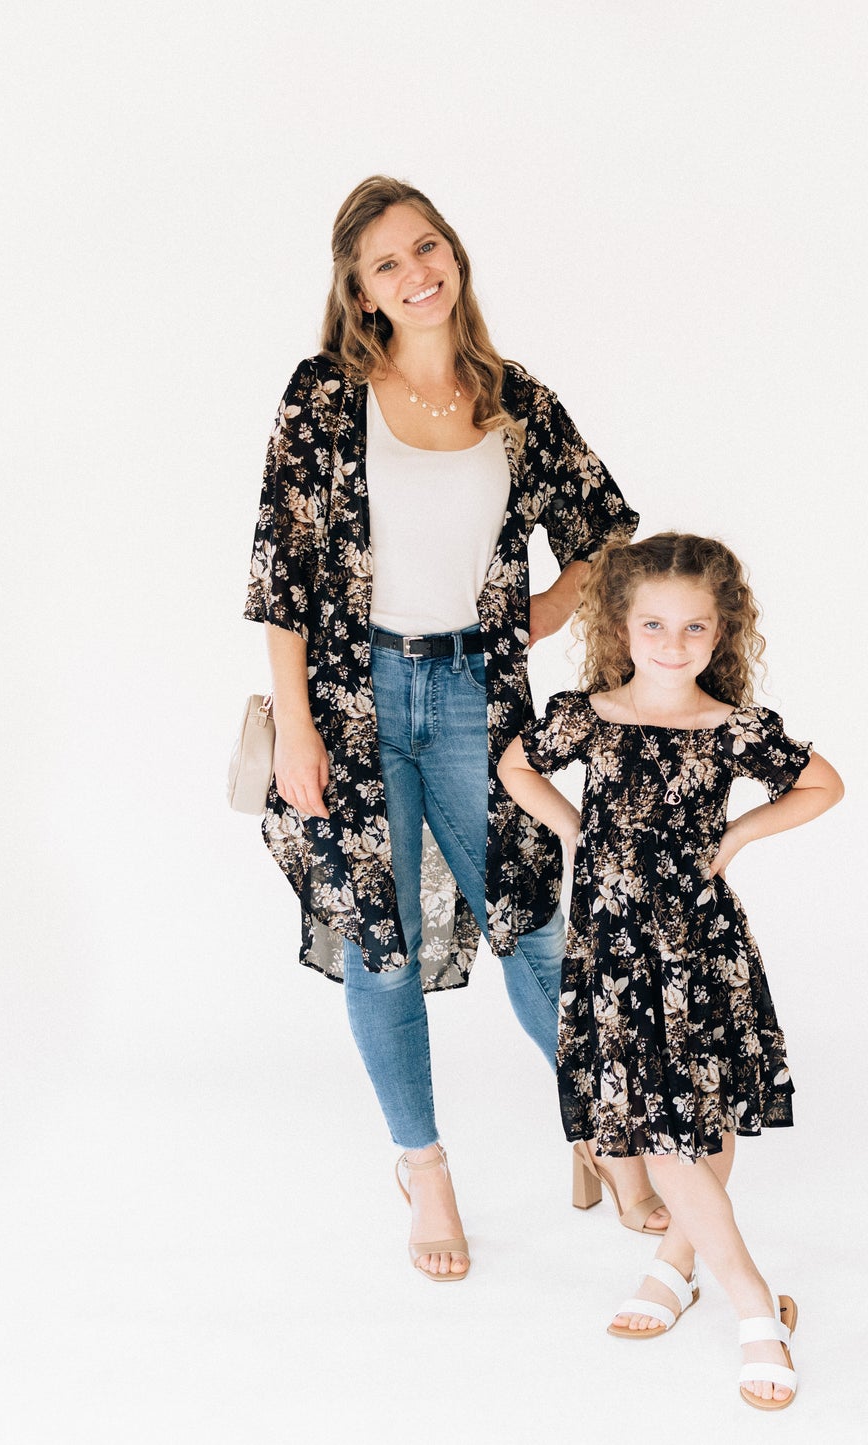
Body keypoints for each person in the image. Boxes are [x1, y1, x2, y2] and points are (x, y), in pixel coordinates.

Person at [243, 175, 665, 1283]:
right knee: (379, 945)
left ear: (454, 255)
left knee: (532, 921)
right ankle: (422, 1164)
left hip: (478, 694)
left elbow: (604, 525)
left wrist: (545, 607)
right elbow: (281, 577)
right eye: (386, 263)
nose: (415, 272)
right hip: (353, 698)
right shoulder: (325, 395)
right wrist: (295, 728)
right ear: (358, 289)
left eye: (426, 247)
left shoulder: (509, 398)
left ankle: (602, 1127)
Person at [498, 532, 844, 1409]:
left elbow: (822, 784)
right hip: (613, 951)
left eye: (694, 627)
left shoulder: (729, 727)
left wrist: (736, 835)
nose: (673, 641)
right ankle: (755, 1303)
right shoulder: (588, 713)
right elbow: (515, 765)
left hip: (700, 945)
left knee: (704, 1111)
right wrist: (575, 830)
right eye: (653, 623)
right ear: (621, 622)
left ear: (722, 632)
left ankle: (677, 1264)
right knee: (661, 1129)